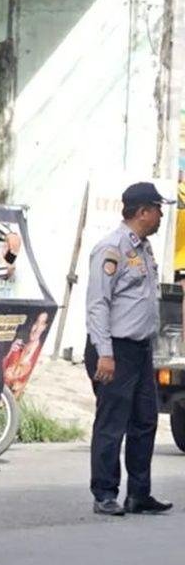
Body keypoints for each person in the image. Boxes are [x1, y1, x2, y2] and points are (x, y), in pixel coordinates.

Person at [84, 182, 174, 517]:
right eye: (158, 209)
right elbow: (97, 304)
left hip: (139, 348)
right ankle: (105, 493)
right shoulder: (112, 248)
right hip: (114, 349)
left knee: (145, 420)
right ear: (143, 211)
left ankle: (139, 493)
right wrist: (104, 352)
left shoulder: (144, 248)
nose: (161, 216)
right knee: (112, 423)